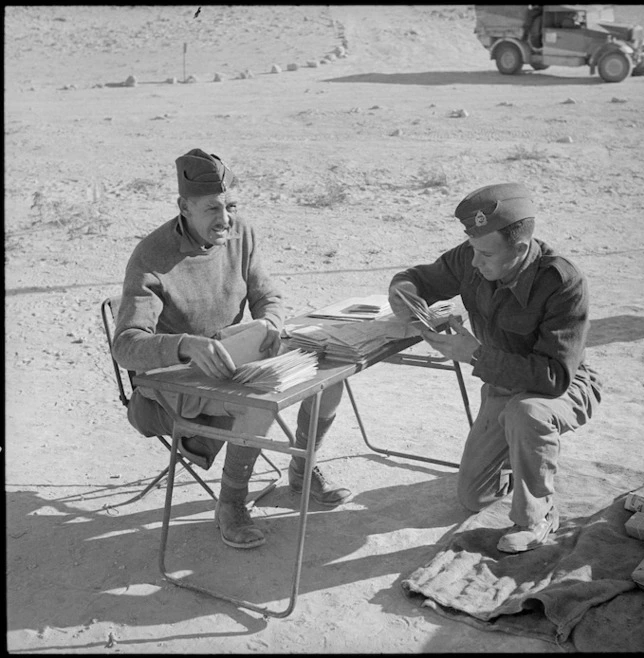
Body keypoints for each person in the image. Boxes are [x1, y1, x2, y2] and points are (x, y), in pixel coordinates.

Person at [112, 147, 349, 550]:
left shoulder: (241, 234)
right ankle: (232, 505)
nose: (225, 220)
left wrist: (271, 322)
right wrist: (185, 346)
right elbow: (126, 346)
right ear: (183, 207)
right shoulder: (151, 257)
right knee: (256, 404)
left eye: (231, 206)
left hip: (234, 361)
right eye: (212, 209)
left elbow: (267, 294)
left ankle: (302, 468)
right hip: (175, 383)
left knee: (331, 375)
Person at [388, 182, 602, 553]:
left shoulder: (563, 281)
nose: (474, 262)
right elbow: (419, 278)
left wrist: (474, 355)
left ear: (520, 249)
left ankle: (536, 516)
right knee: (474, 497)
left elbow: (553, 376)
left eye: (485, 254)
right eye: (472, 249)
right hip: (503, 383)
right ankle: (526, 460)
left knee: (527, 413)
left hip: (563, 386)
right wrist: (405, 295)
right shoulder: (477, 253)